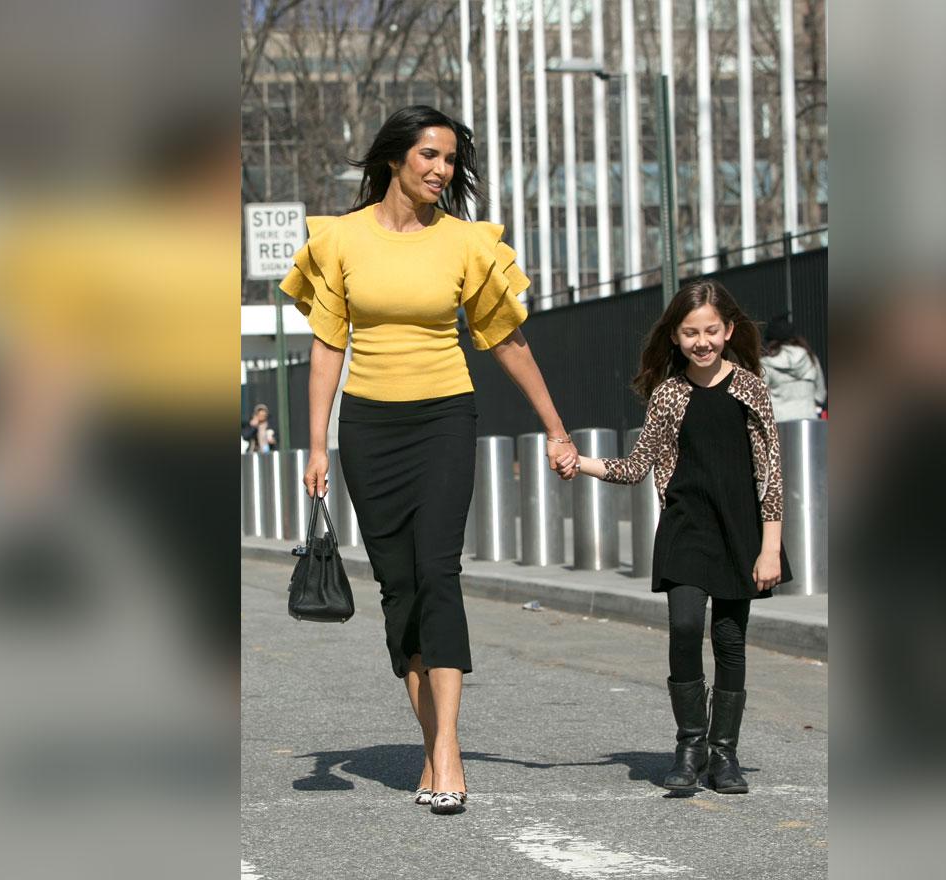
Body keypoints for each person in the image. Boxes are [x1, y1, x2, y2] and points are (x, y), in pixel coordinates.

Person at [280, 105, 578, 816]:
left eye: (450, 160)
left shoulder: (467, 244)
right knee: (400, 588)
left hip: (445, 416)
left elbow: (507, 340)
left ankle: (446, 753)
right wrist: (318, 444)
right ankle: (433, 744)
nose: (442, 171)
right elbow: (328, 347)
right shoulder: (342, 238)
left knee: (438, 573)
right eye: (430, 156)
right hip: (370, 427)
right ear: (394, 159)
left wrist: (557, 429)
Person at [575, 279, 789, 794]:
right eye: (690, 332)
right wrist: (579, 463)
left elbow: (773, 471)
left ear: (729, 330)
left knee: (731, 641)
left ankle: (724, 755)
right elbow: (636, 465)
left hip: (741, 532)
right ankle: (690, 745)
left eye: (711, 331)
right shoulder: (669, 394)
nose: (702, 341)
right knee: (687, 625)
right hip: (685, 528)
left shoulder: (750, 388)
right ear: (674, 336)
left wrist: (770, 547)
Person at [760, 315, 826, 420]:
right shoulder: (810, 358)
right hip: (808, 424)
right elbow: (820, 395)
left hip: (778, 426)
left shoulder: (765, 363)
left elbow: (760, 398)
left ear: (770, 340)